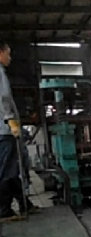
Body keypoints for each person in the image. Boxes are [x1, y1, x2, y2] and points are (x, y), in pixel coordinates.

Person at [0, 40, 23, 220]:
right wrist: (11, 120)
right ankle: (4, 210)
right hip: (4, 130)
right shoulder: (0, 72)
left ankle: (24, 203)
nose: (10, 57)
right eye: (8, 53)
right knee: (6, 171)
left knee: (11, 169)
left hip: (3, 129)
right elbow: (4, 97)